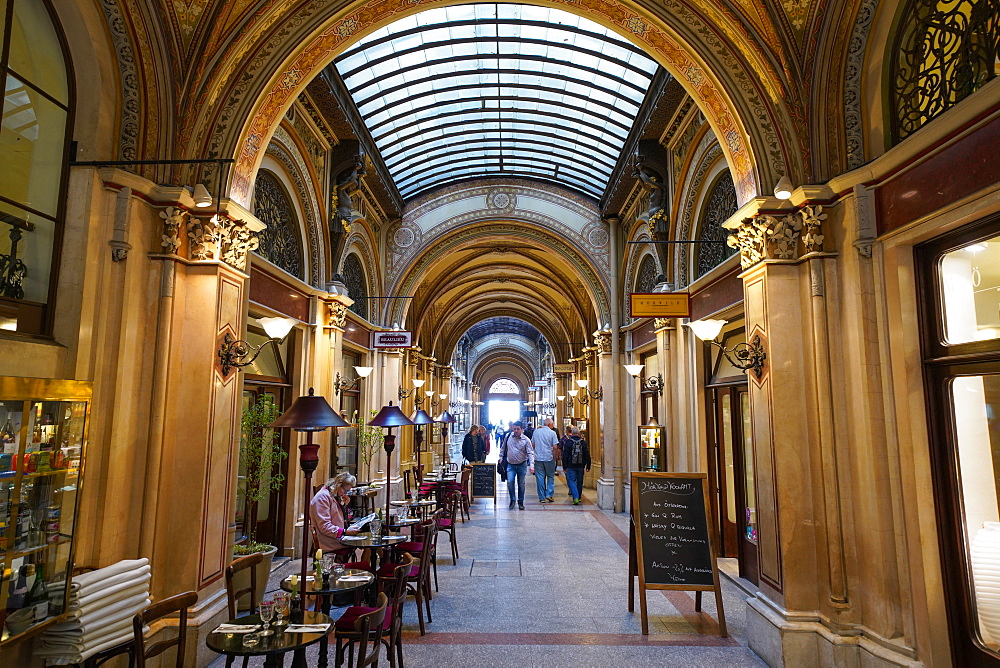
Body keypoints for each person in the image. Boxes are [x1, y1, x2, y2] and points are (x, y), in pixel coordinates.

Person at [310, 471, 362, 557]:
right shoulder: (322, 498)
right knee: (367, 544)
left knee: (370, 539)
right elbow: (325, 527)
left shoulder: (334, 495)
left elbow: (339, 517)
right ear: (338, 485)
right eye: (345, 490)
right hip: (331, 542)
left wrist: (345, 505)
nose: (344, 494)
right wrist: (345, 532)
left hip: (338, 538)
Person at [500, 421, 534, 510]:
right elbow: (503, 447)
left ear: (522, 429)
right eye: (514, 429)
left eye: (518, 429)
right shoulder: (508, 436)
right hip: (510, 465)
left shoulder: (526, 440)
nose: (515, 431)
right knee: (510, 482)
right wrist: (501, 457)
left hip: (522, 464)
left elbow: (530, 452)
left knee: (521, 484)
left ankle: (520, 501)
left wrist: (532, 465)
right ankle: (512, 499)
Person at [531, 418, 560, 503]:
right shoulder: (552, 433)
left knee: (540, 477)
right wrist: (555, 457)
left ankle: (542, 497)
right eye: (552, 424)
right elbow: (555, 447)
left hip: (538, 458)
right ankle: (549, 494)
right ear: (549, 424)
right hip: (549, 458)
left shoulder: (536, 432)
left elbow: (532, 444)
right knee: (550, 476)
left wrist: (533, 455)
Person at [561, 426, 591, 505]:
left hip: (571, 465)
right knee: (580, 481)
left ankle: (576, 497)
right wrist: (588, 465)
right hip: (581, 465)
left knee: (572, 481)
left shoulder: (568, 442)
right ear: (578, 433)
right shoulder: (583, 442)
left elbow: (565, 455)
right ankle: (579, 497)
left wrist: (564, 466)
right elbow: (587, 454)